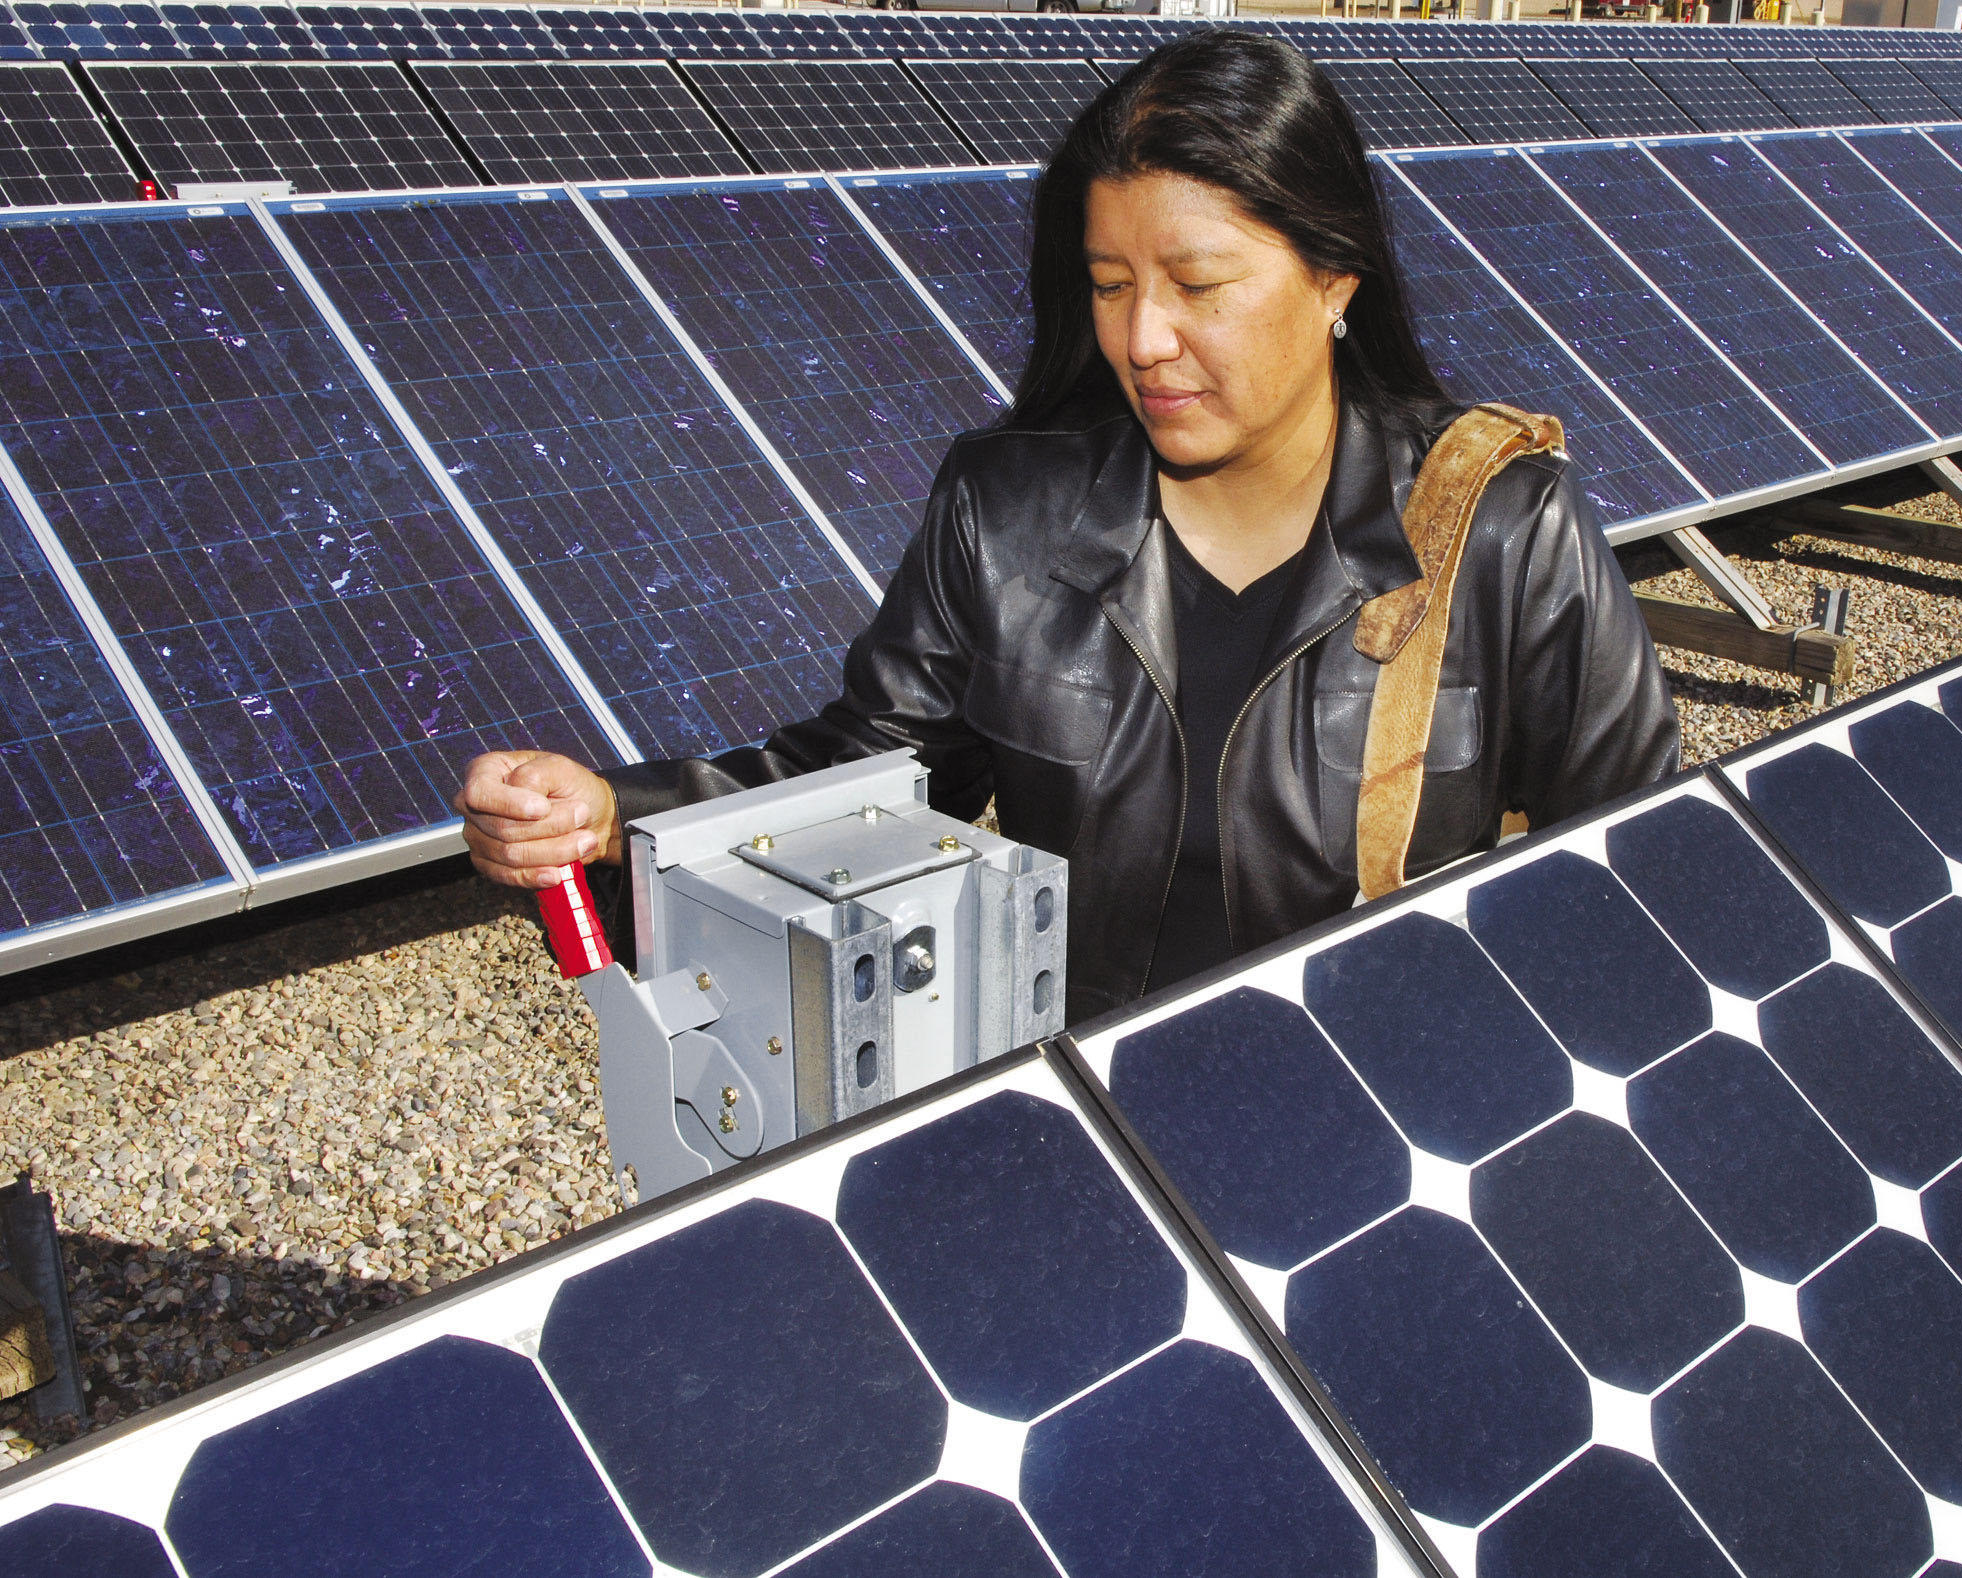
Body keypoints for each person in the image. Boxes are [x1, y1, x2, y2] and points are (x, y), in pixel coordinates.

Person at [454, 29, 1678, 1023]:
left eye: (1198, 286)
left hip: (1378, 1137)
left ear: (1334, 280)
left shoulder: (1500, 527)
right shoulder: (1008, 513)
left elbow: (1639, 874)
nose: (1143, 339)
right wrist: (621, 819)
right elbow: (872, 783)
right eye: (1108, 285)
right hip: (1081, 1135)